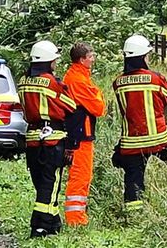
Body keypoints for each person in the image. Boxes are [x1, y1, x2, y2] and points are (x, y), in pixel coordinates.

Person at [112, 34, 167, 212]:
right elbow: (166, 101)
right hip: (160, 138)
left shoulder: (118, 83)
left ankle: (134, 216)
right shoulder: (157, 79)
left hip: (131, 142)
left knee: (133, 180)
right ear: (143, 57)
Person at [17, 40, 76, 238]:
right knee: (50, 183)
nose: (55, 64)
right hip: (53, 139)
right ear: (48, 60)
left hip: (32, 139)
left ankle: (53, 223)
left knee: (41, 182)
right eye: (54, 60)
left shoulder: (23, 81)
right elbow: (70, 106)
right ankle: (39, 226)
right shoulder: (52, 82)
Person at [63, 42, 106, 227]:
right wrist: (97, 93)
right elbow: (98, 107)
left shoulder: (78, 76)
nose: (93, 59)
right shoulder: (78, 80)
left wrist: (95, 93)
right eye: (91, 56)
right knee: (80, 176)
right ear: (82, 60)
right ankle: (75, 220)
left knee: (82, 175)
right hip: (80, 135)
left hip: (79, 133)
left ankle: (78, 218)